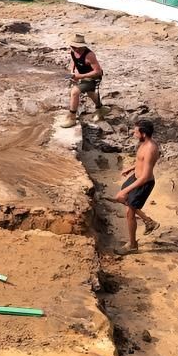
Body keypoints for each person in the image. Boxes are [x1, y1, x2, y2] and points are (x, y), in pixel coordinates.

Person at [113, 119, 160, 255]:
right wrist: (131, 168)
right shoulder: (144, 143)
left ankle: (133, 245)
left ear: (143, 133)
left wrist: (126, 190)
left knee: (129, 211)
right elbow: (142, 161)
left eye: (135, 132)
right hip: (135, 177)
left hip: (143, 183)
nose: (133, 134)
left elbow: (146, 176)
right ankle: (148, 221)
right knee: (125, 202)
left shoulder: (151, 148)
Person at [62, 34, 105, 127]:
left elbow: (98, 71)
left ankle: (72, 118)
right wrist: (72, 72)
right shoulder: (73, 51)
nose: (75, 49)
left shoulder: (90, 55)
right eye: (73, 47)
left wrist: (80, 76)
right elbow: (74, 61)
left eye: (77, 47)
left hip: (94, 78)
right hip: (83, 76)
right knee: (90, 93)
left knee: (74, 92)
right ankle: (101, 109)